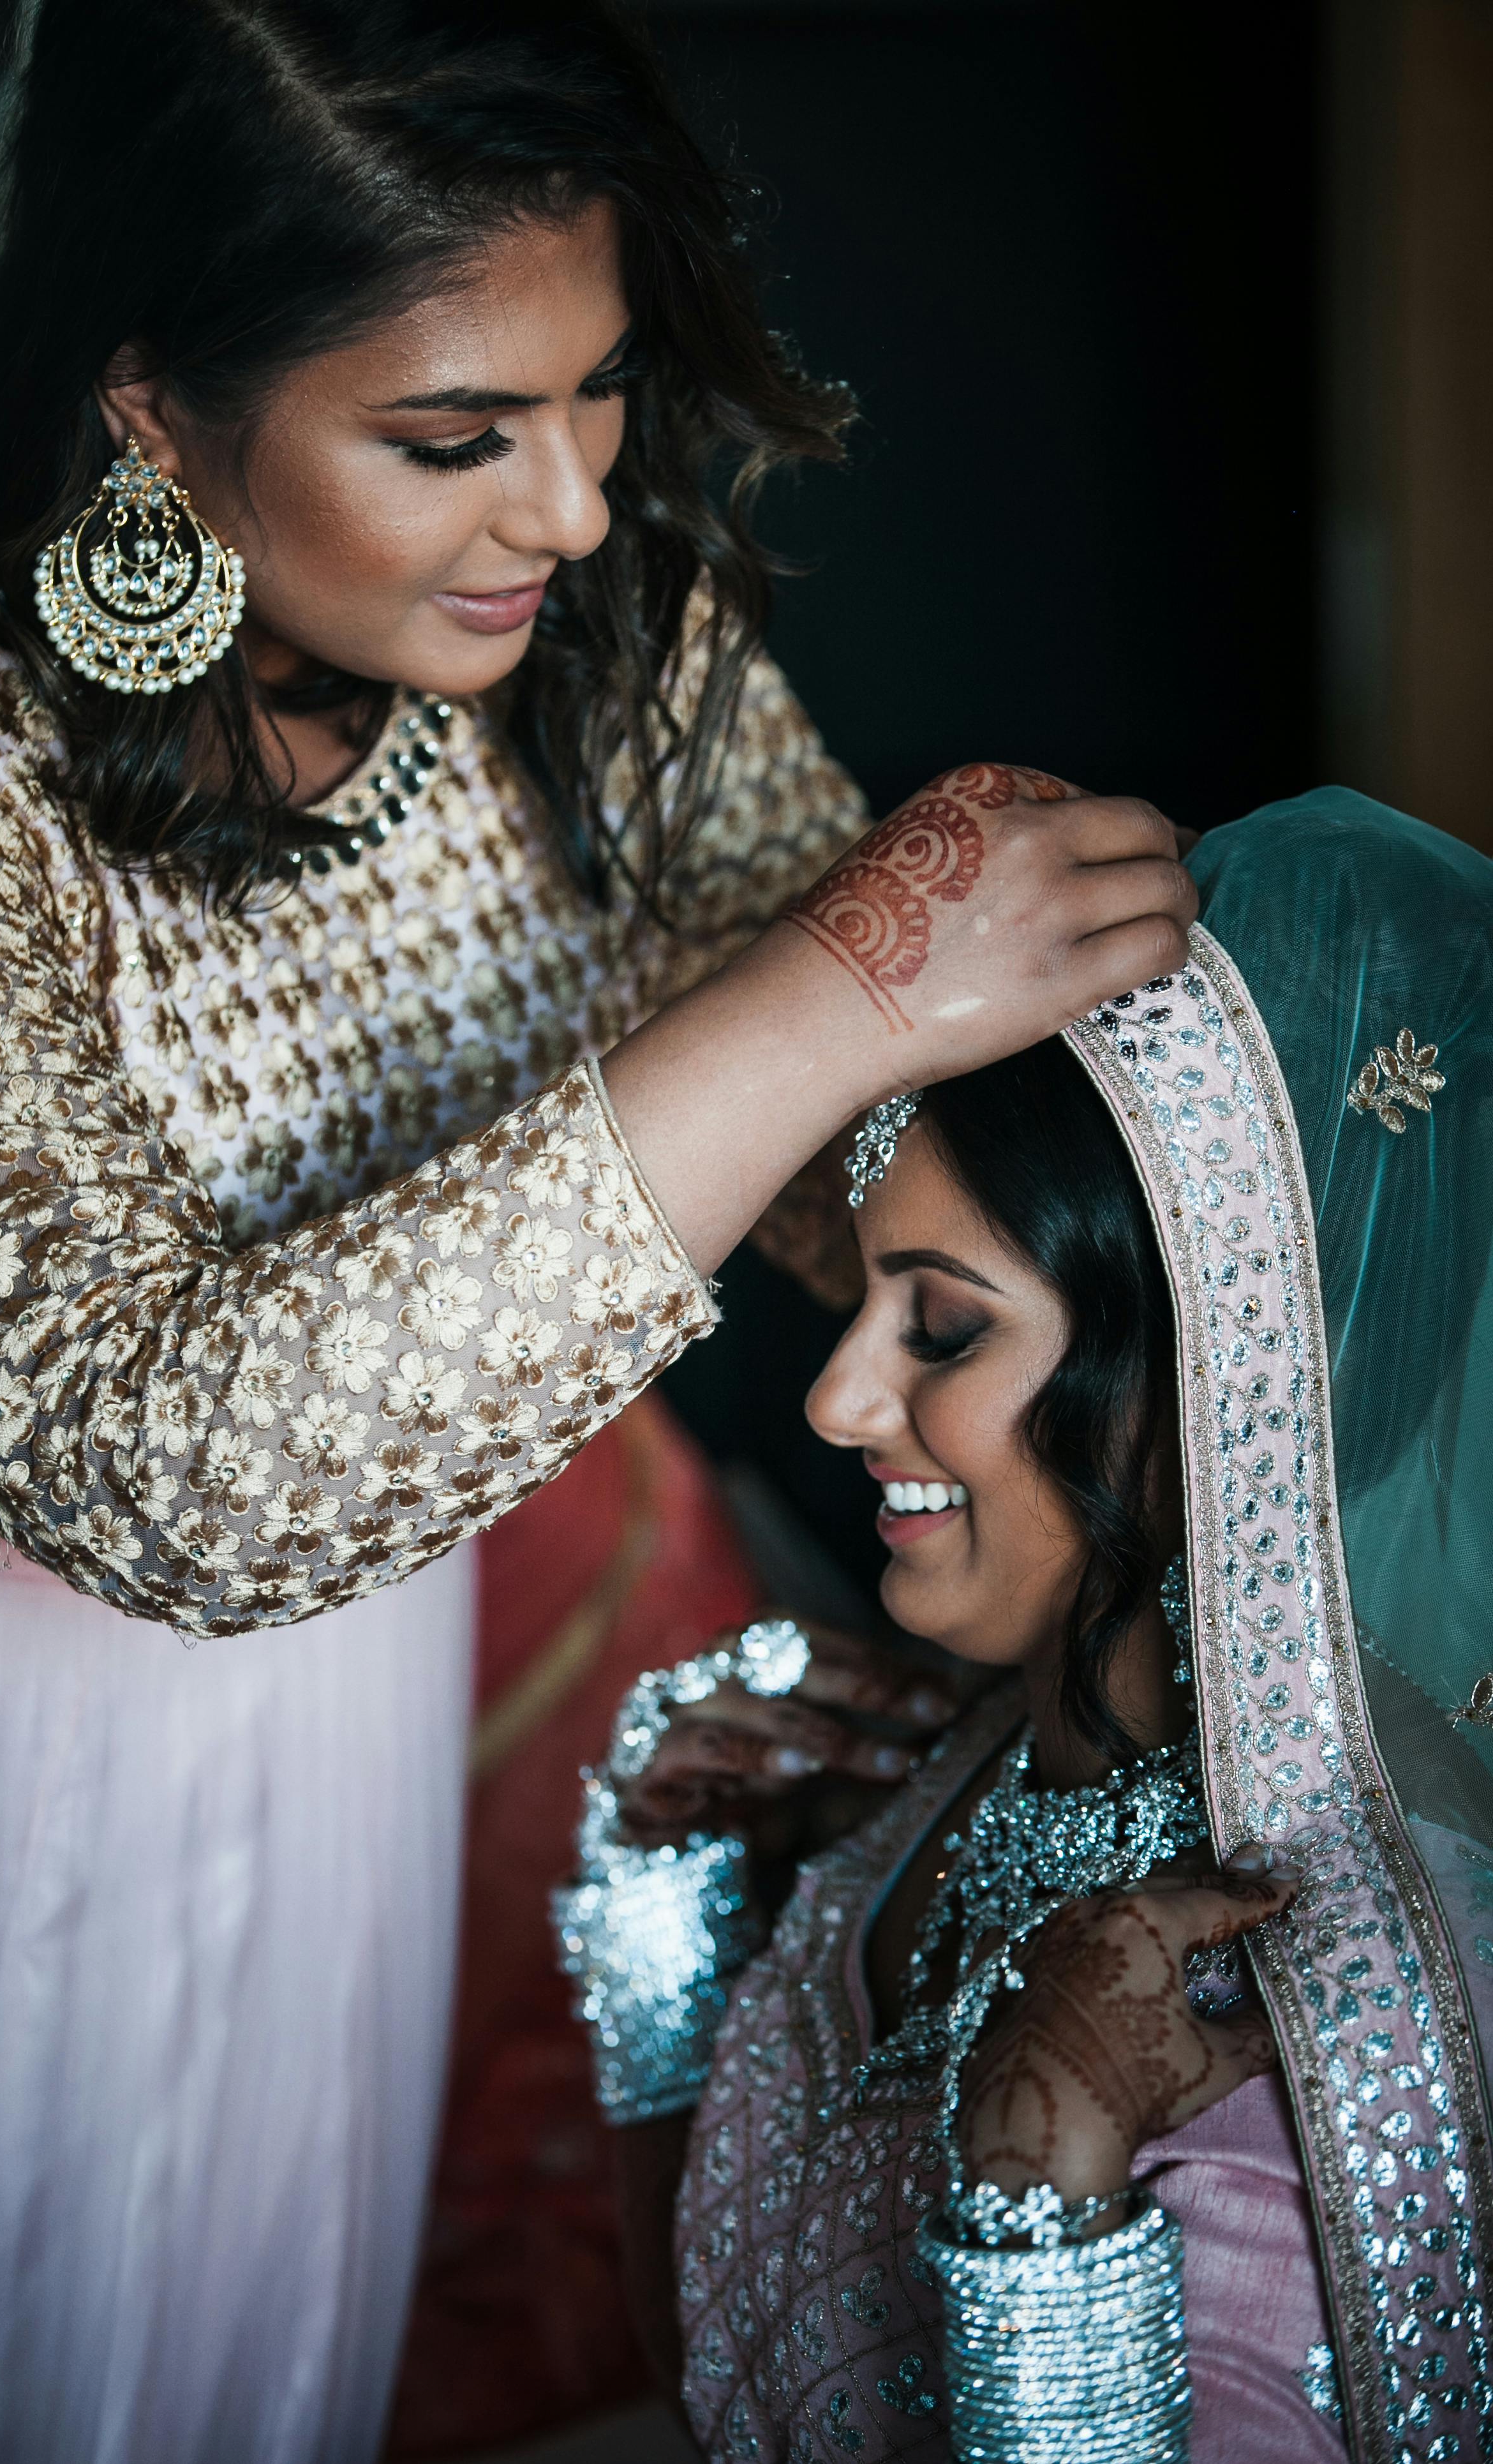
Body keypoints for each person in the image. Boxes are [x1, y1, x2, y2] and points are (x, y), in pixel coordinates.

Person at [0, 3, 1196, 2456]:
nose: (571, 511)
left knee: (250, 2363)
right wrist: (838, 989)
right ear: (153, 411)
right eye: (456, 438)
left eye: (599, 393)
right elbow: (163, 1477)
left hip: (340, 1702)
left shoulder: (593, 632)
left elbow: (860, 1184)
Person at [572, 789, 1493, 2459]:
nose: (839, 1399)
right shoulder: (964, 1782)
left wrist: (1050, 2209)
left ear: (1209, 1380)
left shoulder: (1327, 1991)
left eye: (941, 1329)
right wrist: (666, 1926)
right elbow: (709, 2372)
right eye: (868, 1305)